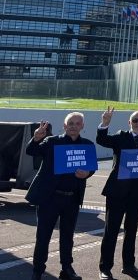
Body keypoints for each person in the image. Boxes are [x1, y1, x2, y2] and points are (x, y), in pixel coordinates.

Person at [26, 113, 95, 280]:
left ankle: (67, 268)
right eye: (70, 123)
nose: (73, 126)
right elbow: (31, 151)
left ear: (82, 126)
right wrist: (36, 138)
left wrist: (87, 173)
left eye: (77, 123)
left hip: (71, 199)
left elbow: (91, 168)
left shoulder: (87, 145)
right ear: (64, 126)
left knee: (67, 236)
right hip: (50, 198)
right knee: (43, 236)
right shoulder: (52, 142)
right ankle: (38, 270)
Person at [97, 108, 138, 280]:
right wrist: (105, 123)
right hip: (117, 192)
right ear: (129, 123)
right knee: (111, 230)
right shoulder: (121, 137)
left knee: (131, 229)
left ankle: (128, 265)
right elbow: (102, 139)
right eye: (135, 121)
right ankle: (105, 267)